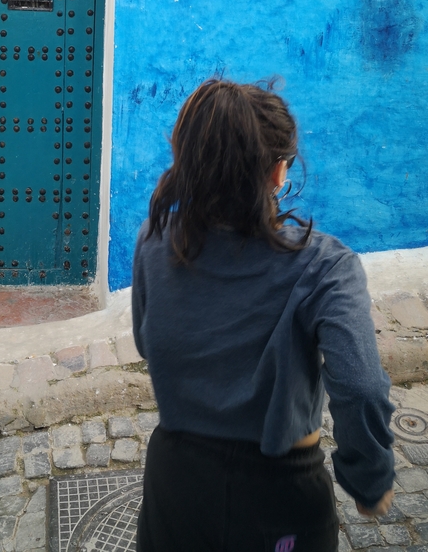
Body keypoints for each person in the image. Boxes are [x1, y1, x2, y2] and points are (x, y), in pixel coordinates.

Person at [132, 78, 394, 552]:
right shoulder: (326, 266)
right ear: (278, 173)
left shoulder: (155, 238)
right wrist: (369, 479)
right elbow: (361, 387)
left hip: (176, 488)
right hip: (281, 494)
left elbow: (146, 341)